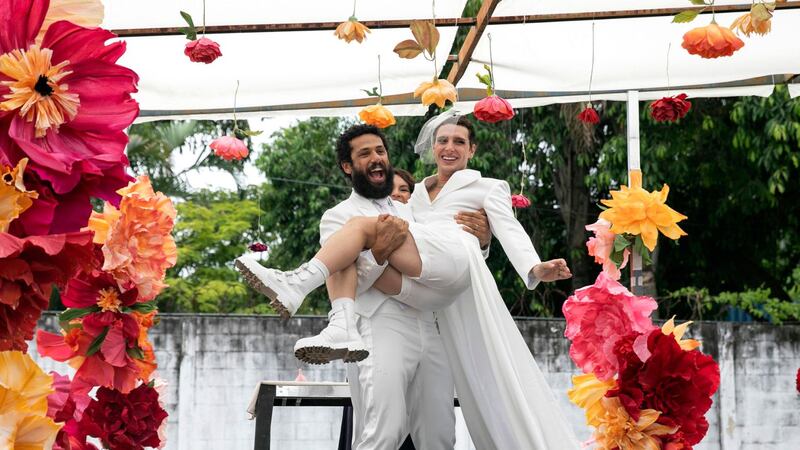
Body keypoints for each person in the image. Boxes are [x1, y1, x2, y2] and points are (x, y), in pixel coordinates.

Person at [237, 114, 580, 449]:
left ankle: (302, 287)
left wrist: (489, 243)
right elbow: (356, 276)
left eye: (380, 151)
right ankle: (322, 307)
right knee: (384, 431)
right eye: (364, 154)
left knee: (439, 434)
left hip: (431, 324)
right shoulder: (340, 217)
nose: (376, 159)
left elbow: (453, 245)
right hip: (382, 326)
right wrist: (382, 254)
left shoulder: (408, 209)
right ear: (347, 166)